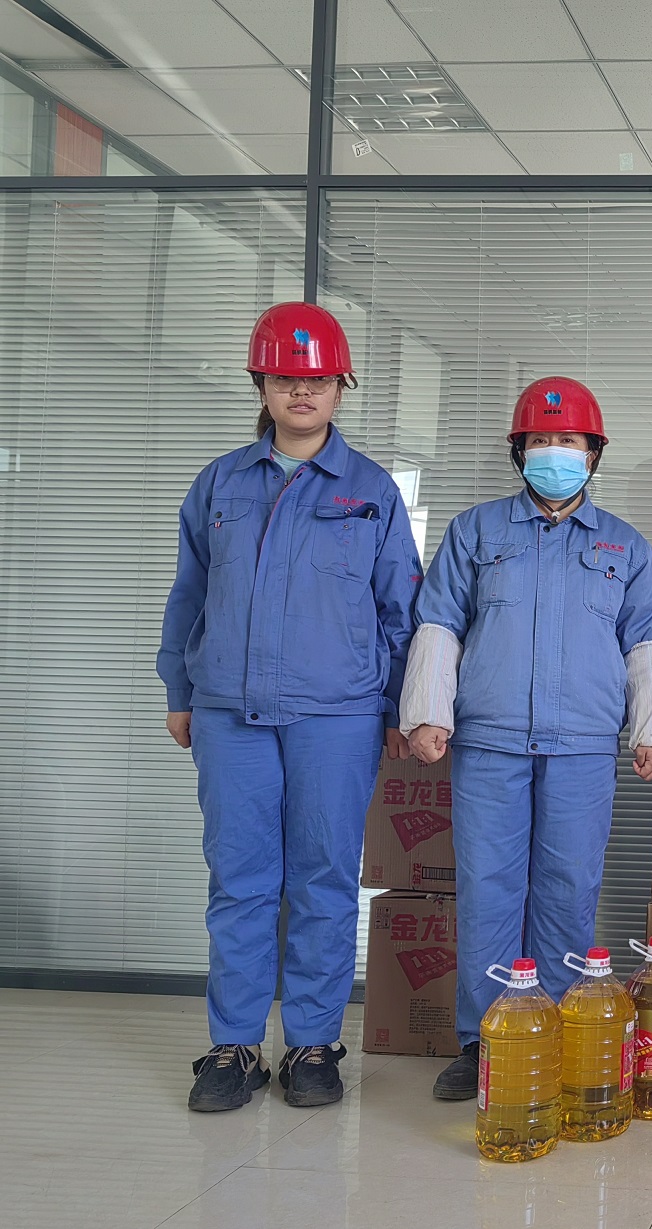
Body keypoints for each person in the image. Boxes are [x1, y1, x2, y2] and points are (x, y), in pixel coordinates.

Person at [158, 302, 422, 1112]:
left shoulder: (371, 490)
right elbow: (189, 593)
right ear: (261, 386)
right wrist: (179, 689)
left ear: (341, 387)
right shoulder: (219, 482)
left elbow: (401, 611)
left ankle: (311, 1042)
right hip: (228, 712)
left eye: (316, 379)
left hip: (336, 717)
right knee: (240, 879)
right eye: (283, 378)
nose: (300, 392)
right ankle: (235, 1044)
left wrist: (396, 707)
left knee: (323, 877)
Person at [398, 375, 652, 1100]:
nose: (555, 452)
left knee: (567, 889)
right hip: (489, 740)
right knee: (487, 889)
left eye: (569, 440)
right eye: (541, 440)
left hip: (584, 743)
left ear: (593, 453)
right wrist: (427, 713)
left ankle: (552, 1030)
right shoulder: (475, 532)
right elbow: (439, 623)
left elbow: (647, 640)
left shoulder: (625, 546)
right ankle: (484, 1042)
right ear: (519, 451)